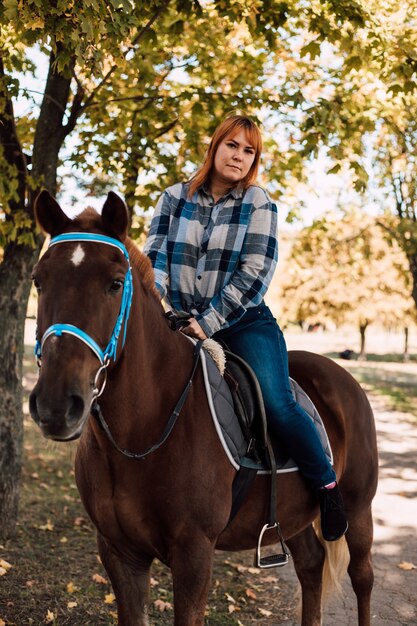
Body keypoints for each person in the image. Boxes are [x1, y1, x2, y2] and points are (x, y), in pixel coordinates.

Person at [144, 114, 348, 542]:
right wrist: (161, 307)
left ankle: (327, 488)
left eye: (248, 150)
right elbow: (155, 259)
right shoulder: (174, 197)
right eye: (232, 145)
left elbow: (255, 273)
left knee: (276, 403)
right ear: (215, 147)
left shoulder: (258, 203)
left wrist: (208, 323)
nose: (238, 156)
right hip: (178, 319)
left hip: (242, 321)